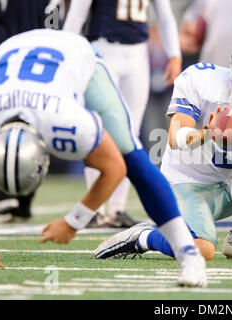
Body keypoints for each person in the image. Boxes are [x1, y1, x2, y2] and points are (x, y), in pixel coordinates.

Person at [0, 29, 206, 287]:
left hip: (74, 54)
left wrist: (74, 221)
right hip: (11, 51)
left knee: (132, 157)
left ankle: (189, 256)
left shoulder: (65, 120)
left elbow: (114, 168)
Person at [95, 28, 232, 261]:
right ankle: (143, 237)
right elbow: (175, 137)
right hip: (187, 184)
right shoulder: (203, 80)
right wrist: (205, 134)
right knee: (202, 251)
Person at [63, 0, 183, 227]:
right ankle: (94, 209)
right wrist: (67, 53)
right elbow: (77, 15)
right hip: (102, 51)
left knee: (130, 132)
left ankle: (117, 208)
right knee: (98, 129)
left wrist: (174, 54)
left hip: (138, 54)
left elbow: (165, 16)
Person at [0, 0, 68, 223]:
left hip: (32, 54)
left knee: (33, 121)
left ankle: (21, 198)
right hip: (6, 52)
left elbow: (59, 21)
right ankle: (0, 196)